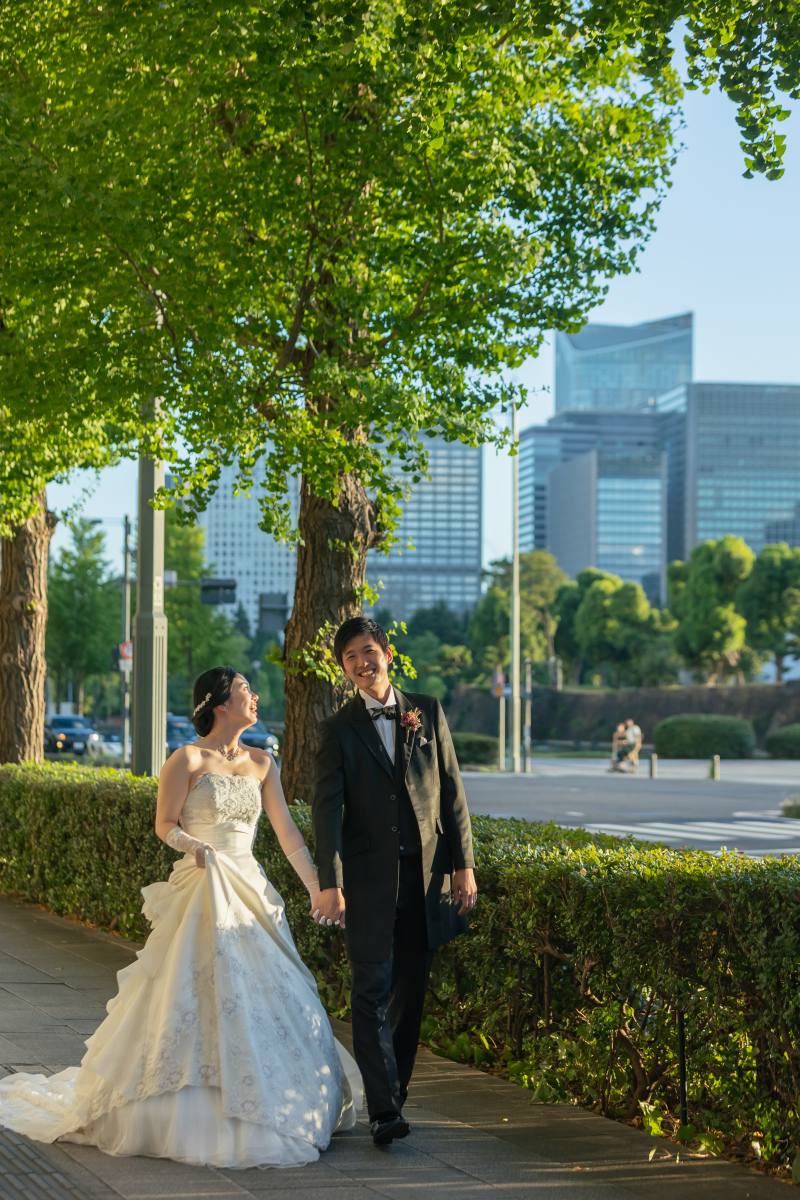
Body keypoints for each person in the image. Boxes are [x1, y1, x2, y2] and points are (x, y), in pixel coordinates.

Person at [0, 666, 361, 1169]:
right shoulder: (186, 758)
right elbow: (163, 823)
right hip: (202, 883)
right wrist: (191, 845)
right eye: (244, 691)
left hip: (248, 889)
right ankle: (180, 1101)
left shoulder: (263, 762)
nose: (254, 698)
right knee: (188, 990)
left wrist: (319, 889)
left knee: (267, 993)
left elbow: (288, 837)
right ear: (219, 703)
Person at [311, 616, 477, 1147]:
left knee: (411, 994)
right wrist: (330, 881)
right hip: (365, 882)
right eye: (350, 658)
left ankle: (393, 1095)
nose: (362, 663)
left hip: (426, 878)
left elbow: (452, 790)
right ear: (344, 669)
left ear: (387, 652)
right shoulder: (337, 730)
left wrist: (464, 864)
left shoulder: (425, 710)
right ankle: (383, 1111)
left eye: (368, 652)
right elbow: (326, 813)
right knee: (370, 990)